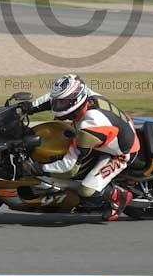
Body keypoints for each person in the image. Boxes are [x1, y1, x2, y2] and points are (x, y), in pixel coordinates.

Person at [29, 74, 140, 221]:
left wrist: (40, 168)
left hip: (121, 153)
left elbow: (69, 167)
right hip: (114, 129)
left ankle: (119, 196)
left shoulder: (88, 126)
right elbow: (53, 97)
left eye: (62, 103)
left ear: (75, 101)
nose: (57, 106)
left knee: (86, 190)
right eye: (58, 102)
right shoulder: (86, 93)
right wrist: (30, 107)